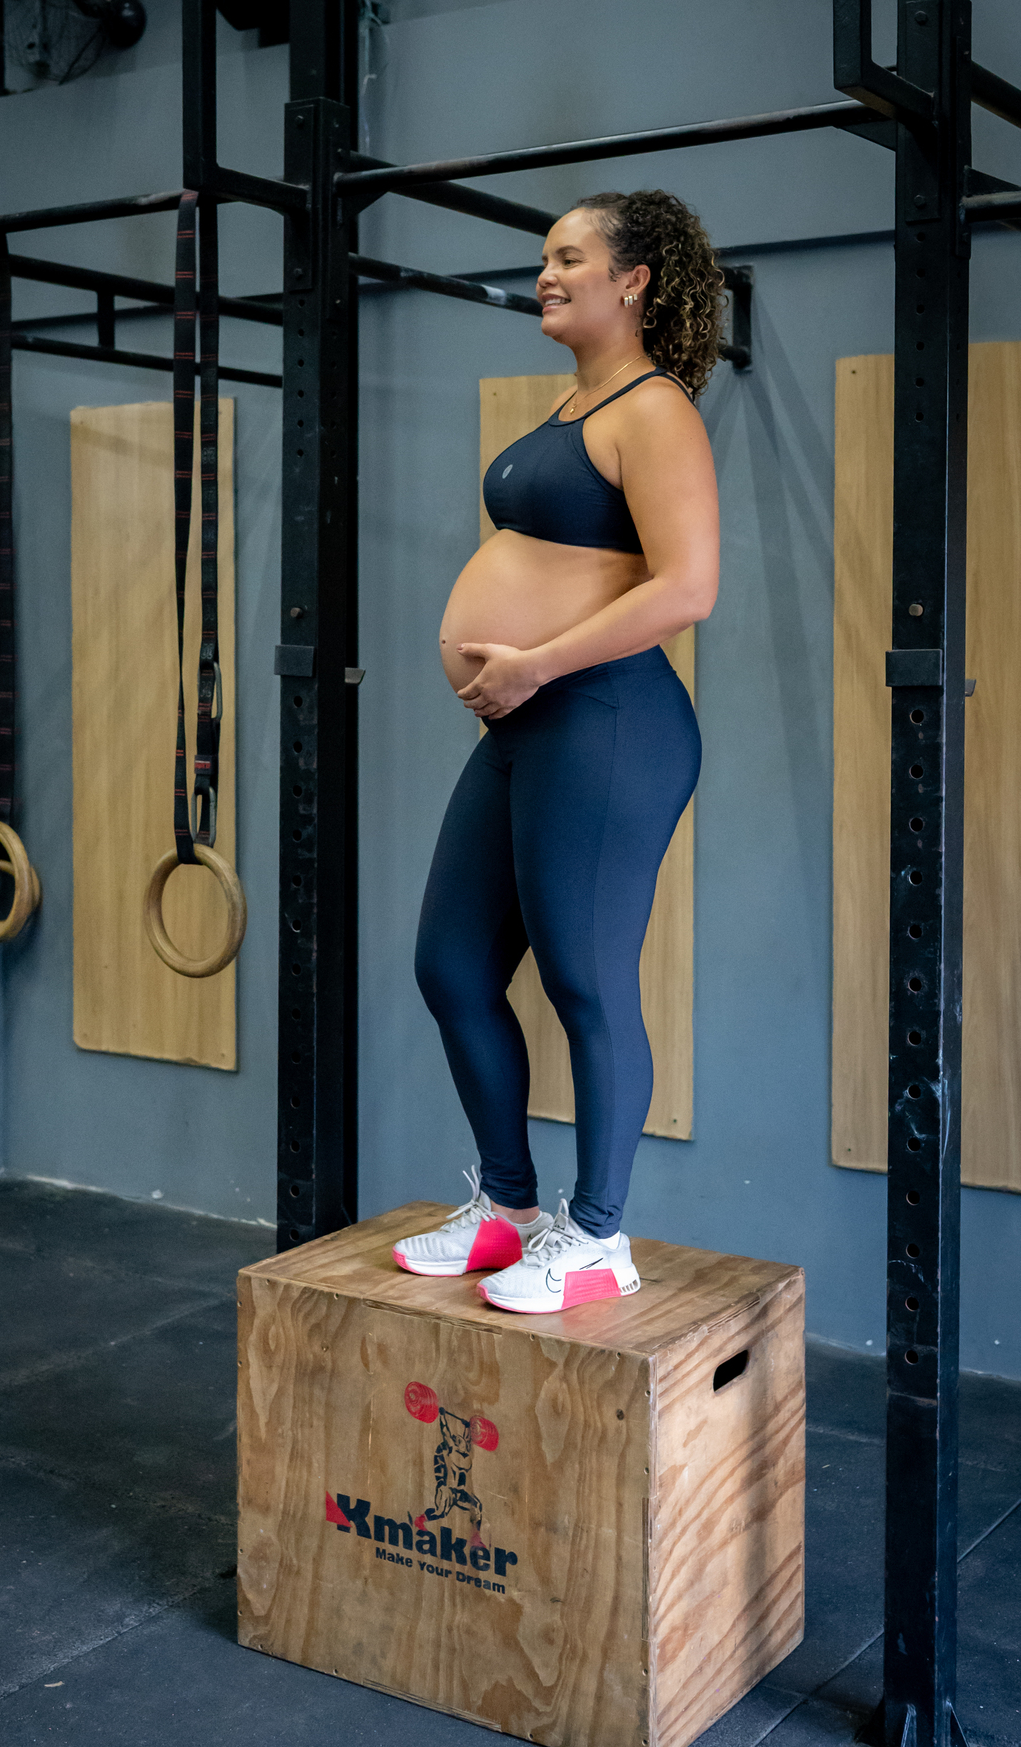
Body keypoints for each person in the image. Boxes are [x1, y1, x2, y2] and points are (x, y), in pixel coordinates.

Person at [393, 190, 722, 1314]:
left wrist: (535, 662)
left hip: (609, 721)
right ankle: (510, 1207)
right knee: (450, 965)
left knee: (584, 977)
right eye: (544, 257)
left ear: (632, 280)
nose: (545, 274)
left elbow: (688, 587)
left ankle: (598, 1235)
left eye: (569, 257)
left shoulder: (653, 408)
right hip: (529, 722)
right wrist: (516, 674)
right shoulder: (573, 403)